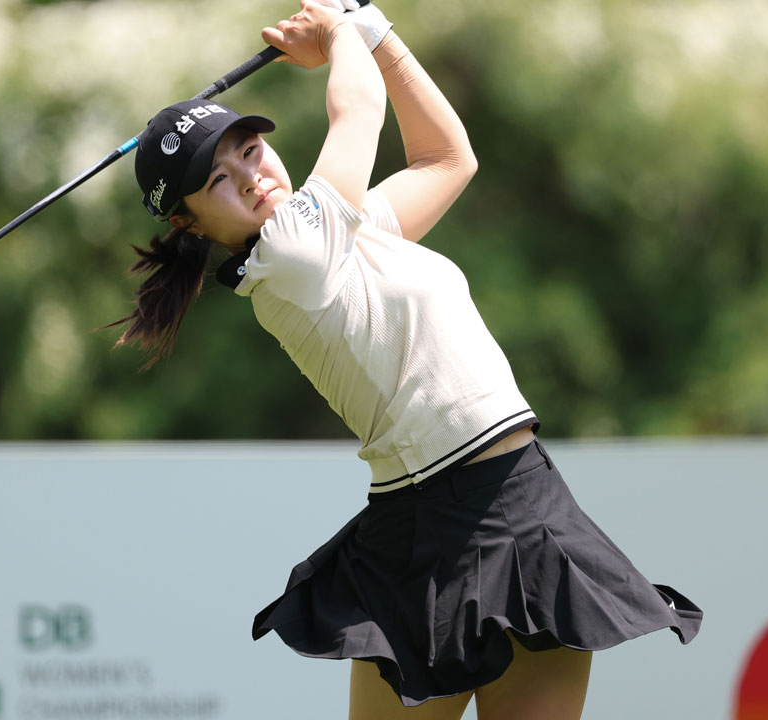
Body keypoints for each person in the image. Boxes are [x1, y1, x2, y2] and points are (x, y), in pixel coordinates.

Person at [111, 1, 703, 717]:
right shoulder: (291, 255)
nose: (249, 175)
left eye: (249, 150)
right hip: (424, 533)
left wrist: (378, 33)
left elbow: (447, 159)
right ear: (190, 223)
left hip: (525, 497)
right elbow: (358, 110)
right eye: (216, 181)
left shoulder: (346, 233)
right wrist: (338, 34)